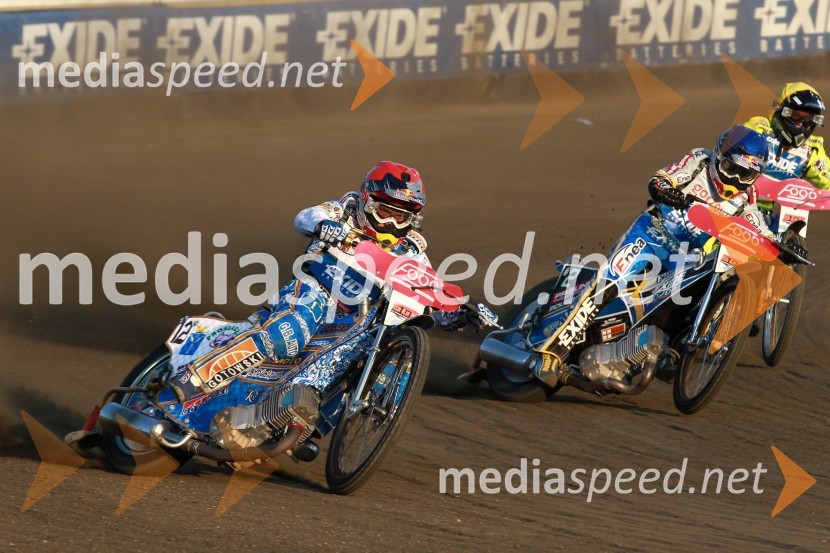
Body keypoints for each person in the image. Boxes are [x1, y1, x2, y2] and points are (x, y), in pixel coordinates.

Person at [534, 125, 807, 384]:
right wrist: (668, 192)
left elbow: (760, 229)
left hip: (685, 258)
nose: (735, 180)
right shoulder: (700, 159)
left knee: (704, 286)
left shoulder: (746, 198)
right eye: (730, 169)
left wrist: (784, 249)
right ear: (718, 157)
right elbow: (661, 179)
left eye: (745, 175)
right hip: (651, 234)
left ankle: (664, 351)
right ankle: (551, 352)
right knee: (610, 280)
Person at [190, 161, 495, 391]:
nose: (390, 221)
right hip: (315, 293)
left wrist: (459, 314)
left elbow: (429, 291)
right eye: (384, 211)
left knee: (386, 370)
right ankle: (197, 377)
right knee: (288, 335)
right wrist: (324, 226)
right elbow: (306, 216)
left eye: (400, 216)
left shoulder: (412, 250)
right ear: (365, 200)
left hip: (359, 324)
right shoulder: (343, 211)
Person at [744, 82, 829, 189]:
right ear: (780, 110)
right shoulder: (758, 128)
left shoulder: (812, 150)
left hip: (775, 205)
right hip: (735, 200)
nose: (800, 123)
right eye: (795, 115)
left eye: (807, 118)